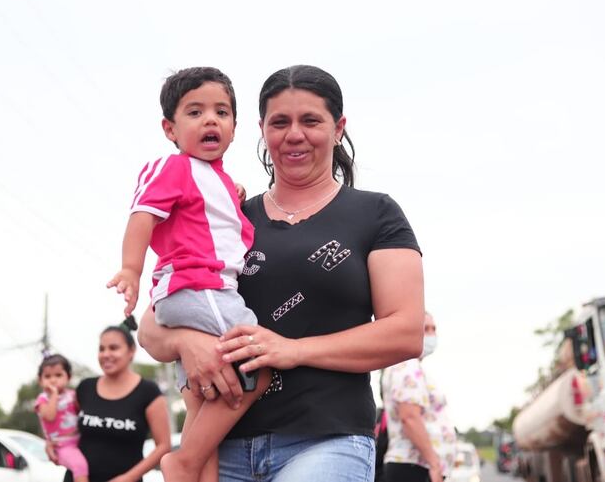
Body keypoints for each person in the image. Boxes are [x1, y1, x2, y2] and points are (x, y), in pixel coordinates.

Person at [138, 64, 425, 482]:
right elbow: (152, 325)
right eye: (280, 122)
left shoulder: (376, 214)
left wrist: (292, 350)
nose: (294, 134)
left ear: (339, 127)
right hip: (221, 450)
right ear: (260, 130)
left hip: (327, 440)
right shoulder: (230, 218)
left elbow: (406, 332)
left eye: (310, 120)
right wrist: (185, 341)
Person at [107, 66, 272, 482]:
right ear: (170, 128)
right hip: (202, 288)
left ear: (235, 127)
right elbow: (142, 214)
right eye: (195, 112)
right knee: (259, 361)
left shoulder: (217, 181)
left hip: (197, 293)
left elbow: (211, 220)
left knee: (205, 395)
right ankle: (181, 462)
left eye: (221, 112)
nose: (211, 120)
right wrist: (131, 268)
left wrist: (232, 197)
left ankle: (194, 470)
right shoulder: (173, 166)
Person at [48, 324, 171, 482]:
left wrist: (128, 478)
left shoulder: (148, 391)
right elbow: (65, 424)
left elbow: (163, 446)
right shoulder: (85, 388)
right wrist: (53, 443)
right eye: (102, 349)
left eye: (113, 348)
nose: (106, 354)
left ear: (131, 351)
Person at [381, 312, 456, 482]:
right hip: (414, 466)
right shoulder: (407, 365)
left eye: (433, 329)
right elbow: (409, 417)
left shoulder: (408, 365)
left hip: (416, 466)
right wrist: (434, 463)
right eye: (425, 329)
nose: (431, 334)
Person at [35, 354, 88, 482]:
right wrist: (54, 395)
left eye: (58, 375)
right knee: (79, 466)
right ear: (40, 380)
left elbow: (83, 413)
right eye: (47, 376)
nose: (53, 380)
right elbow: (50, 416)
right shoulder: (42, 400)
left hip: (80, 440)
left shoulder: (73, 395)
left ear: (68, 377)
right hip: (61, 445)